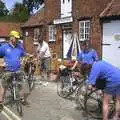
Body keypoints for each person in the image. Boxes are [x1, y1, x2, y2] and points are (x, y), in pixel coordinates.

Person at [0, 30, 28, 110]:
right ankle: (0, 102)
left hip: (18, 69)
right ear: (11, 37)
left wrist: (25, 59)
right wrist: (1, 63)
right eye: (16, 38)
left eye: (17, 38)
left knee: (22, 83)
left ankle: (22, 99)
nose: (17, 39)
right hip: (7, 70)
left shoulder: (19, 47)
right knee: (4, 85)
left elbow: (24, 55)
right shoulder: (4, 47)